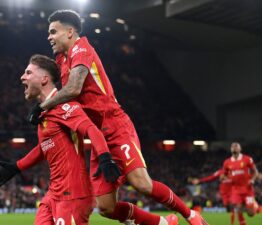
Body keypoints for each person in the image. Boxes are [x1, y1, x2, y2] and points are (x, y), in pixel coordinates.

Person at [28, 9, 207, 225]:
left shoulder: (81, 48)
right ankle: (163, 223)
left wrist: (43, 107)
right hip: (97, 137)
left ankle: (191, 215)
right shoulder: (61, 59)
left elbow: (74, 88)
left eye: (53, 31)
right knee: (106, 208)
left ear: (70, 32)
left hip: (115, 125)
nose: (49, 37)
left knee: (141, 184)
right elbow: (51, 81)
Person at [0, 54, 175, 224]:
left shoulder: (64, 106)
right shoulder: (44, 113)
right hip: (54, 195)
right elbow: (44, 147)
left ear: (44, 79)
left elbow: (92, 130)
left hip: (72, 195)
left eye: (28, 72)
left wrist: (104, 158)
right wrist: (16, 167)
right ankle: (163, 223)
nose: (22, 77)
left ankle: (164, 222)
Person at [222, 142, 259, 225]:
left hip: (247, 189)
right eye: (233, 147)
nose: (234, 148)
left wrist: (252, 179)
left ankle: (255, 205)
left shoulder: (247, 159)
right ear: (231, 149)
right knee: (238, 209)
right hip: (236, 190)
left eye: (236, 146)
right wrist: (225, 178)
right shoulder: (227, 162)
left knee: (251, 214)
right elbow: (224, 175)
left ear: (240, 149)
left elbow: (255, 171)